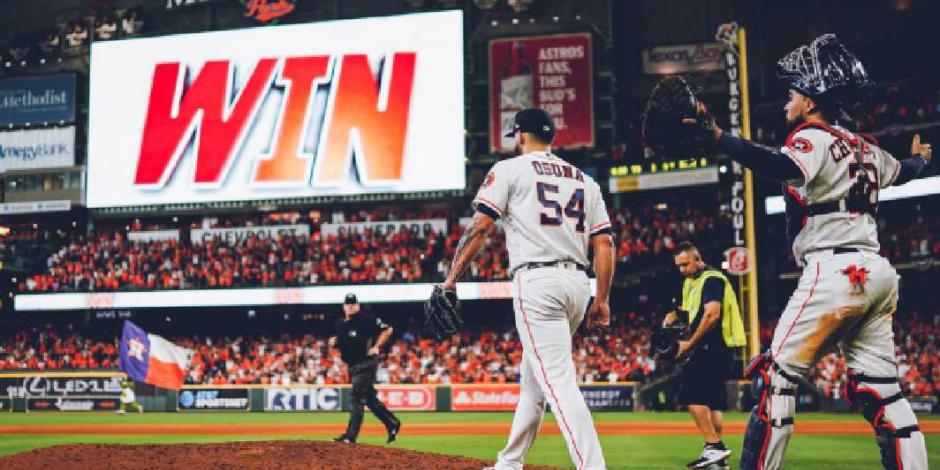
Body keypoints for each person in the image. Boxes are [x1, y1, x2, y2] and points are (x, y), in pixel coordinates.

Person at [684, 34, 930, 470]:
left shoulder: (811, 137)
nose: (787, 100)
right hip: (876, 273)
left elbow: (780, 166)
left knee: (775, 382)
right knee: (884, 391)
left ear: (813, 101)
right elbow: (904, 172)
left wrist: (721, 137)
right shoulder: (866, 147)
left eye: (794, 92)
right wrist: (921, 161)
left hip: (832, 270)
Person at [439, 107, 615, 470]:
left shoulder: (509, 169)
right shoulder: (585, 180)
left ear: (520, 136)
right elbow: (605, 245)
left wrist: (451, 278)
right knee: (535, 383)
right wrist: (602, 299)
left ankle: (593, 466)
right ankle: (510, 462)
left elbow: (481, 228)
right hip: (578, 284)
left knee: (559, 383)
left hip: (537, 281)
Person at [665, 242, 746, 469]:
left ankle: (714, 446)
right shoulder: (692, 282)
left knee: (691, 397)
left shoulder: (711, 278)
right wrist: (674, 314)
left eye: (685, 264)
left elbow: (711, 315)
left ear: (697, 257)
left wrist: (689, 345)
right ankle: (717, 461)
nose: (682, 270)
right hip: (719, 349)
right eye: (678, 266)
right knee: (712, 404)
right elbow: (691, 313)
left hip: (713, 347)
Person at [329, 293, 401, 444]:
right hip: (353, 366)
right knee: (369, 399)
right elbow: (343, 343)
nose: (350, 306)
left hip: (366, 363)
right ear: (344, 307)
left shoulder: (366, 319)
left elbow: (388, 329)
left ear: (358, 305)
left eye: (353, 304)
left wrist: (376, 346)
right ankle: (392, 423)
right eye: (348, 304)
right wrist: (335, 343)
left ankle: (350, 436)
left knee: (356, 398)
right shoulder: (340, 324)